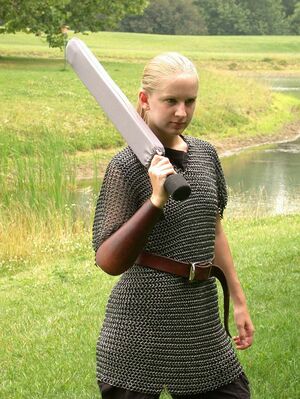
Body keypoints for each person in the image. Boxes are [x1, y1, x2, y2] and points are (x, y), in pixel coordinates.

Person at [92, 52, 255, 399]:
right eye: (171, 101)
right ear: (145, 100)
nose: (182, 112)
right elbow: (108, 260)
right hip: (138, 329)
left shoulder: (205, 154)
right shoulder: (125, 166)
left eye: (190, 101)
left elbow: (213, 230)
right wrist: (155, 201)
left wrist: (238, 300)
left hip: (200, 322)